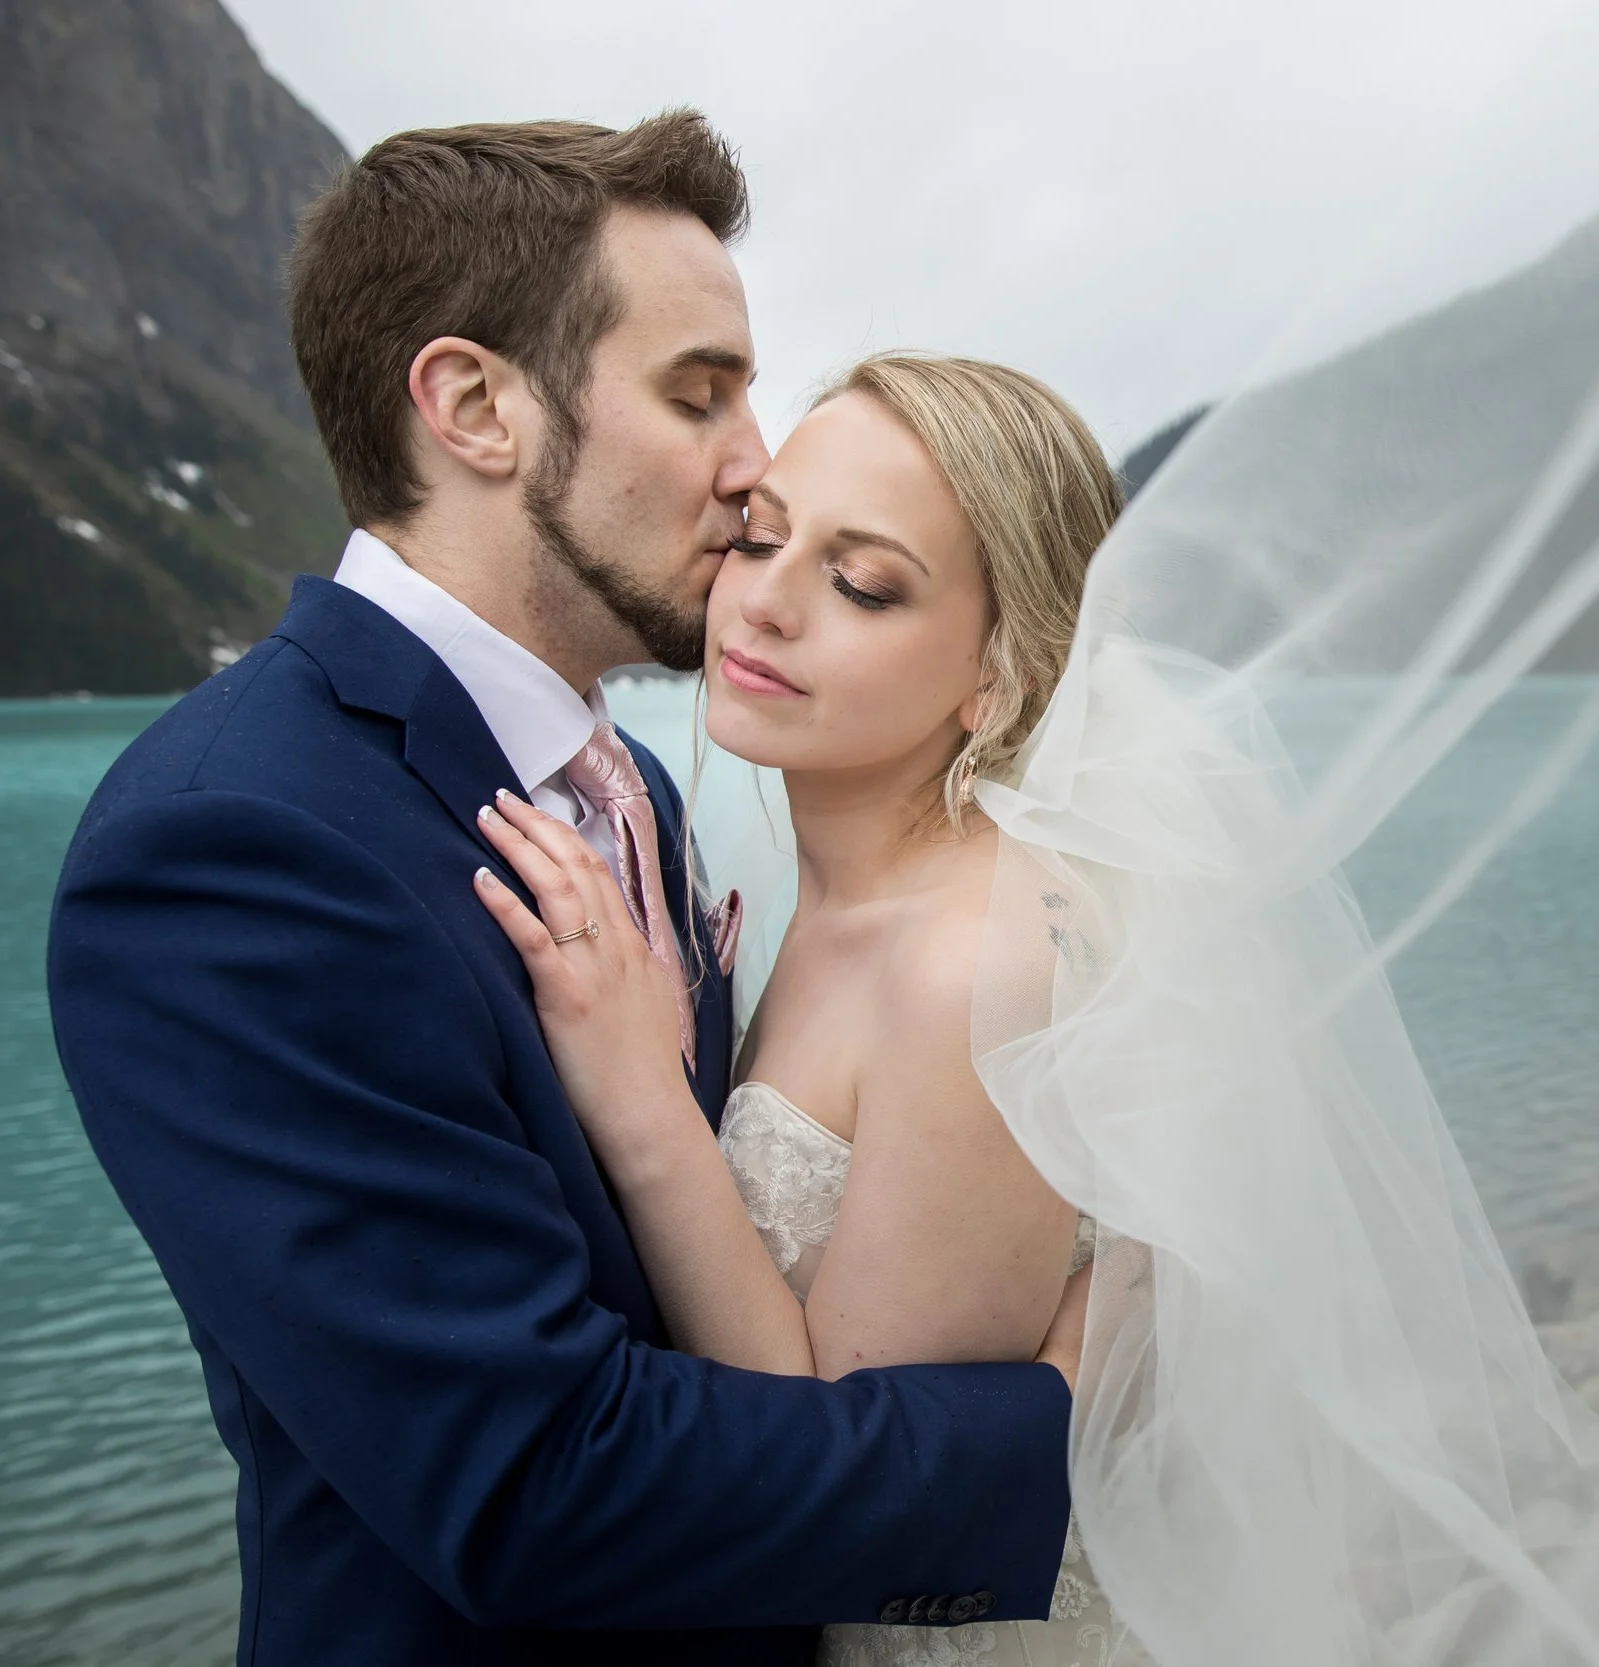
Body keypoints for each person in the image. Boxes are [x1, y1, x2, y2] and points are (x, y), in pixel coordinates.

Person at [46, 115, 1084, 1667]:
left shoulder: (633, 793)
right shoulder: (236, 847)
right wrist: (1058, 1437)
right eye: (699, 394)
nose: (751, 472)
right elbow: (527, 1480)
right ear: (474, 407)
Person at [474, 352, 1137, 1666]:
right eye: (763, 538)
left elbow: (844, 1481)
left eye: (862, 582)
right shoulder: (793, 878)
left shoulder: (968, 963)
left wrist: (643, 1106)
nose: (763, 604)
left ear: (997, 677)